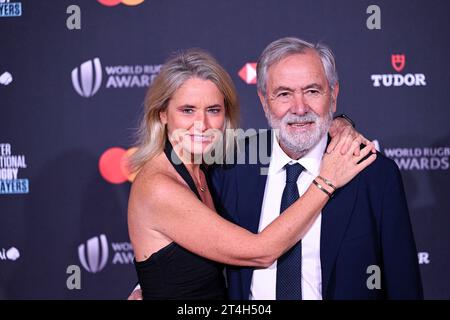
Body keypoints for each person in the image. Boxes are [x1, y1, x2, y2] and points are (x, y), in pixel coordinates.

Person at [127, 48, 376, 299]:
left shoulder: (213, 171)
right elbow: (260, 251)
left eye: (213, 110)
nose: (201, 124)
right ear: (162, 114)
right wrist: (326, 181)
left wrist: (336, 123)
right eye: (187, 110)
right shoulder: (158, 186)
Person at [209, 37, 423, 300]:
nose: (299, 108)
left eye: (312, 91)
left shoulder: (374, 174)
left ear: (333, 96)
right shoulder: (230, 167)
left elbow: (403, 284)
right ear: (264, 101)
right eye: (284, 94)